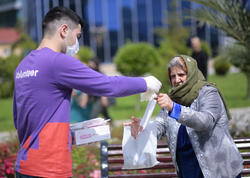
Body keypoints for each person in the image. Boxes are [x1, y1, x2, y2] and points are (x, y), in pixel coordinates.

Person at [13, 6, 161, 178]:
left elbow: (21, 121)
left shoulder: (22, 67)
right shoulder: (57, 62)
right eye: (77, 36)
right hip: (49, 168)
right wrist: (144, 82)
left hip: (24, 166)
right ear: (63, 30)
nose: (77, 44)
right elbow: (107, 85)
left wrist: (66, 135)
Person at [126, 55, 243, 178]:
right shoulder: (173, 99)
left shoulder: (208, 92)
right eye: (173, 76)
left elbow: (205, 122)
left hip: (219, 171)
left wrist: (174, 108)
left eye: (181, 75)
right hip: (189, 171)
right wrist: (143, 126)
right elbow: (159, 126)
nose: (177, 80)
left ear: (191, 74)